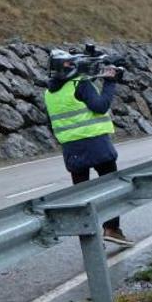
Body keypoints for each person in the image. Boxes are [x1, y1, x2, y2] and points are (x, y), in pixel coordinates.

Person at [43, 49, 131, 245]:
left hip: (71, 148)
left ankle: (88, 234)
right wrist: (110, 82)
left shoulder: (48, 92)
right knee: (110, 187)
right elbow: (100, 106)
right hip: (96, 144)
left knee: (82, 194)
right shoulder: (80, 84)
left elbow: (50, 122)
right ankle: (112, 229)